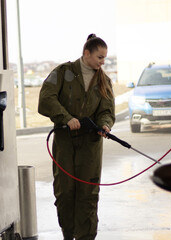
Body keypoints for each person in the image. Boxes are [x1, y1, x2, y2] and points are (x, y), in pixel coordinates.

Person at [38, 34, 115, 240]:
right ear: (86, 53)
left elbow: (107, 110)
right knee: (65, 192)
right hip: (65, 141)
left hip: (90, 144)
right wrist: (66, 118)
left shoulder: (104, 81)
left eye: (104, 58)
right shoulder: (63, 73)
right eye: (100, 57)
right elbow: (46, 98)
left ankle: (86, 237)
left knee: (88, 194)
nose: (102, 62)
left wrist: (105, 124)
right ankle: (68, 235)